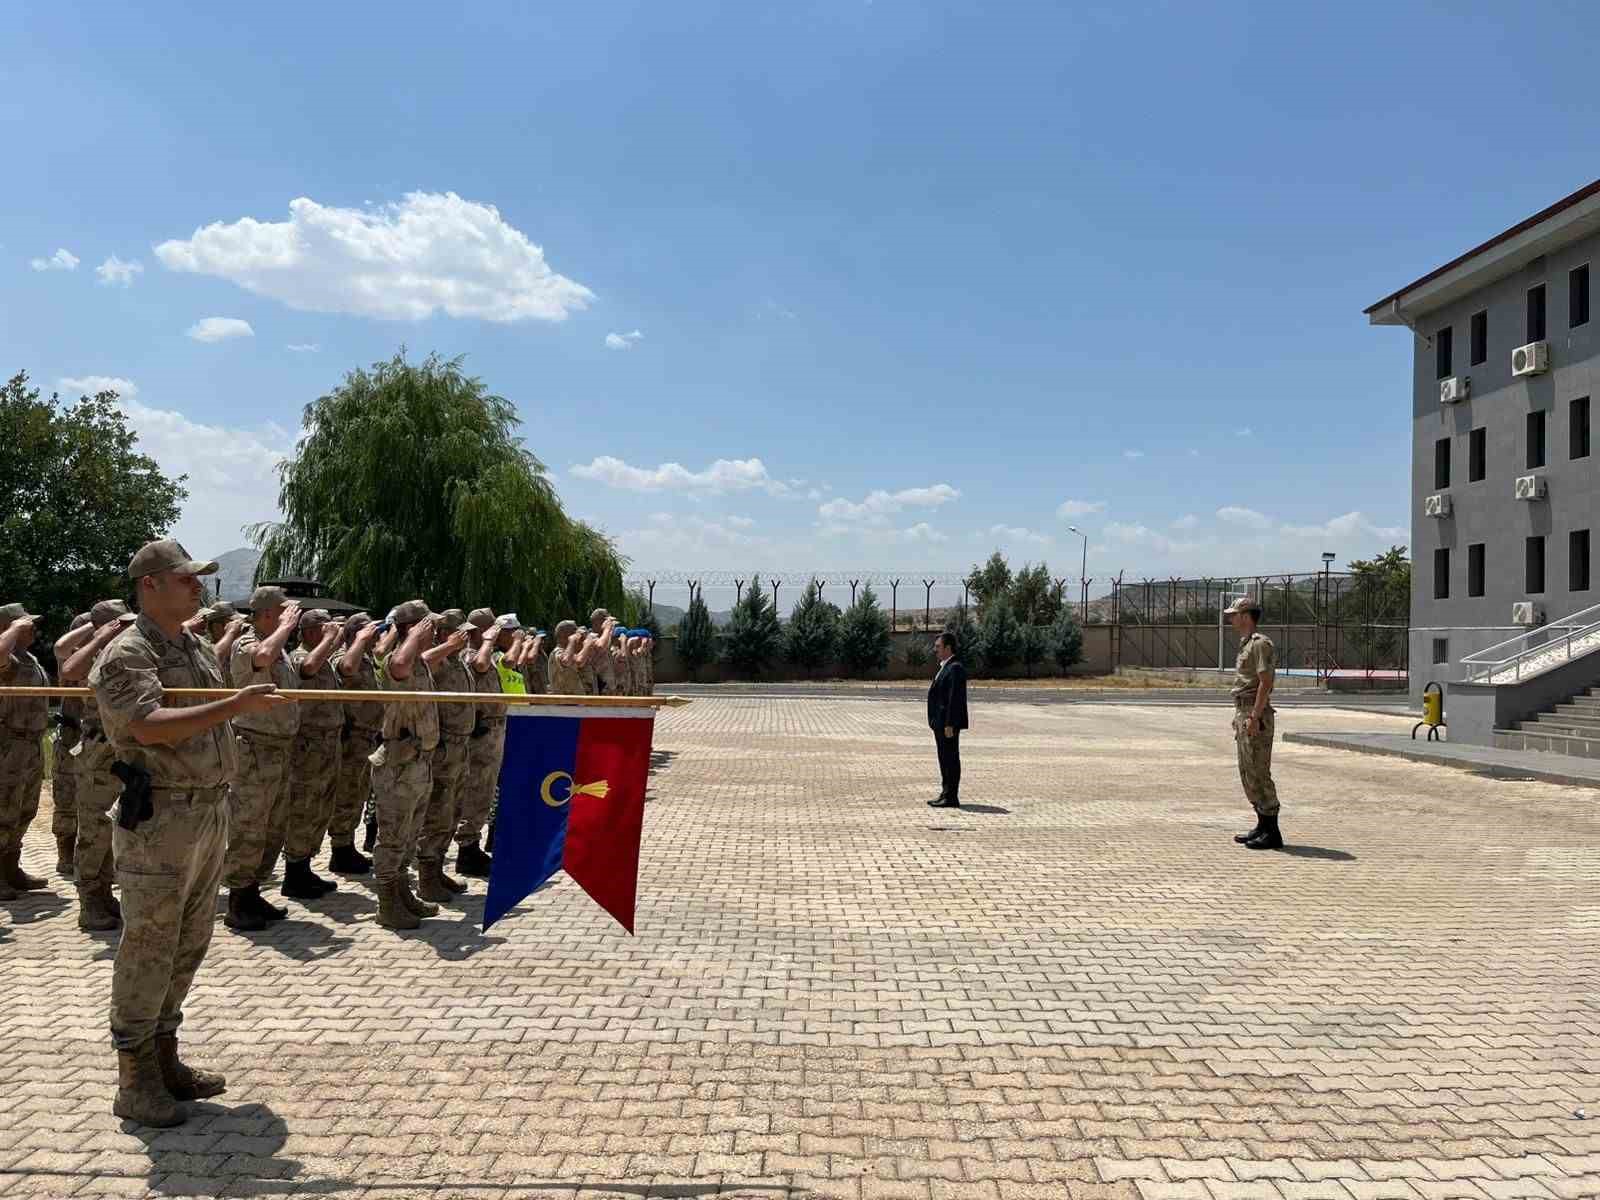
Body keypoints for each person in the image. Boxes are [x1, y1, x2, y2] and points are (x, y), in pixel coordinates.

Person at [88, 537, 288, 1127]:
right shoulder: (128, 652)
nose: (198, 585)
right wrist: (233, 706)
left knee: (189, 940)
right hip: (162, 818)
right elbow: (147, 727)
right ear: (150, 584)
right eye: (185, 578)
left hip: (206, 809)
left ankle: (164, 1053)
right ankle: (135, 1076)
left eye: (198, 577)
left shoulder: (192, 644)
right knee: (150, 943)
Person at [221, 587, 302, 931]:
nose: (292, 618)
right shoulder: (246, 642)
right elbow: (262, 658)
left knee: (272, 827)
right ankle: (238, 900)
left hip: (278, 748)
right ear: (269, 614)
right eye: (284, 612)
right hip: (254, 748)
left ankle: (253, 890)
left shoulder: (280, 647)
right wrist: (285, 626)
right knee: (248, 826)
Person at [58, 601, 137, 930]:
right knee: (93, 828)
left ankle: (105, 893)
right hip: (98, 751)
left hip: (125, 749)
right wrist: (97, 635)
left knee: (114, 826)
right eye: (121, 624)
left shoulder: (129, 651)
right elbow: (69, 668)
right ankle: (89, 900)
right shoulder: (91, 652)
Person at [371, 601, 442, 930]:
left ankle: (402, 894)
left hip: (418, 763)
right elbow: (398, 664)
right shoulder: (397, 659)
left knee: (409, 836)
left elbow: (420, 660)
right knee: (393, 837)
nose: (435, 631)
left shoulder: (418, 661)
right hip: (398, 766)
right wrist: (414, 634)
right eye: (430, 626)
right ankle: (387, 905)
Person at [280, 609, 344, 901]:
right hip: (308, 746)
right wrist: (329, 640)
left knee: (322, 806)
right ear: (308, 631)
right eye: (324, 625)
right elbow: (307, 668)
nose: (331, 628)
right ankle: (294, 872)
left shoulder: (326, 657)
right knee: (304, 806)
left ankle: (305, 866)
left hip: (329, 743)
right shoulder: (299, 656)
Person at [416, 609, 473, 902]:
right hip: (444, 748)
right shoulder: (435, 656)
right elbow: (424, 662)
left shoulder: (456, 659)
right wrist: (449, 645)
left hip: (460, 746)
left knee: (451, 811)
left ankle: (437, 868)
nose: (466, 637)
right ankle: (426, 877)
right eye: (459, 632)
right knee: (437, 811)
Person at [0, 603, 50, 900]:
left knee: (24, 810)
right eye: (25, 624)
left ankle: (11, 868)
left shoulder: (27, 657)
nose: (32, 628)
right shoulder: (6, 656)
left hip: (30, 744)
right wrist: (12, 630)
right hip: (8, 743)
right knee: (3, 810)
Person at [1225, 597, 1283, 850]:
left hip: (1254, 713)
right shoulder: (1246, 643)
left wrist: (1254, 717)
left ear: (1246, 616)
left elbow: (1265, 683)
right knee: (1247, 771)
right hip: (1244, 711)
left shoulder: (1261, 644)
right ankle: (1262, 825)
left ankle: (1272, 832)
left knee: (1259, 771)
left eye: (1234, 614)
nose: (1231, 618)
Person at [455, 608, 508, 878]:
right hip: (481, 734)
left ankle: (472, 845)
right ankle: (467, 849)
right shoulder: (471, 653)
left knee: (485, 792)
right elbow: (480, 666)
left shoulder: (485, 652)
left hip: (493, 731)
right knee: (476, 791)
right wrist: (487, 640)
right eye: (491, 628)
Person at [328, 613, 381, 874]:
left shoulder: (368, 659)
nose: (376, 635)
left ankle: (347, 846)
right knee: (346, 795)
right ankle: (340, 850)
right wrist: (360, 639)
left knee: (357, 795)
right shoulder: (344, 655)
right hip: (351, 738)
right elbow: (347, 669)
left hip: (366, 738)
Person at [49, 612, 94, 877]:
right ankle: (65, 855)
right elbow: (62, 650)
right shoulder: (71, 659)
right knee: (66, 799)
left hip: (95, 739)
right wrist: (94, 625)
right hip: (71, 736)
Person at [926, 631, 969, 809]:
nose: (935, 650)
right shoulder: (945, 666)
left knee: (950, 758)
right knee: (944, 758)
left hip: (947, 724)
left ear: (948, 648)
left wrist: (950, 723)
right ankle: (945, 794)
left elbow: (954, 698)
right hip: (940, 723)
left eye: (938, 647)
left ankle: (951, 797)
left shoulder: (955, 668)